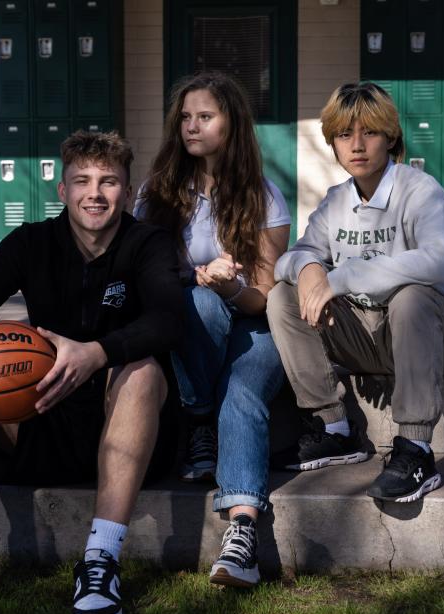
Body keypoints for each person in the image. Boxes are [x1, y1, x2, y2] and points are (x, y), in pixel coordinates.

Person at [0, 130, 183, 614]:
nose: (94, 193)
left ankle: (101, 560)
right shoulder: (31, 242)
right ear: (62, 190)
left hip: (118, 427)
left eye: (108, 181)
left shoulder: (147, 243)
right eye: (82, 181)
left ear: (127, 188)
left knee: (142, 373)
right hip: (37, 420)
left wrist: (96, 354)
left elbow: (168, 319)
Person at [266, 82, 444, 502]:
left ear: (391, 138)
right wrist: (309, 267)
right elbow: (290, 258)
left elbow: (436, 260)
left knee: (411, 296)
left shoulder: (420, 190)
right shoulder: (335, 202)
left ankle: (416, 448)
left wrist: (341, 279)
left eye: (370, 132)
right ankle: (335, 428)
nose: (357, 145)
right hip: (369, 333)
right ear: (333, 143)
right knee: (282, 297)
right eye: (345, 135)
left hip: (435, 331)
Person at [134, 71, 290, 587]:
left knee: (242, 391)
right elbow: (140, 275)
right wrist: (194, 279)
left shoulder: (264, 197)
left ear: (232, 123)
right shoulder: (156, 193)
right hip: (190, 324)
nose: (192, 126)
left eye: (205, 116)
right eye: (185, 117)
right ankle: (199, 417)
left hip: (254, 327)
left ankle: (241, 533)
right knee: (195, 299)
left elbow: (264, 297)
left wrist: (227, 288)